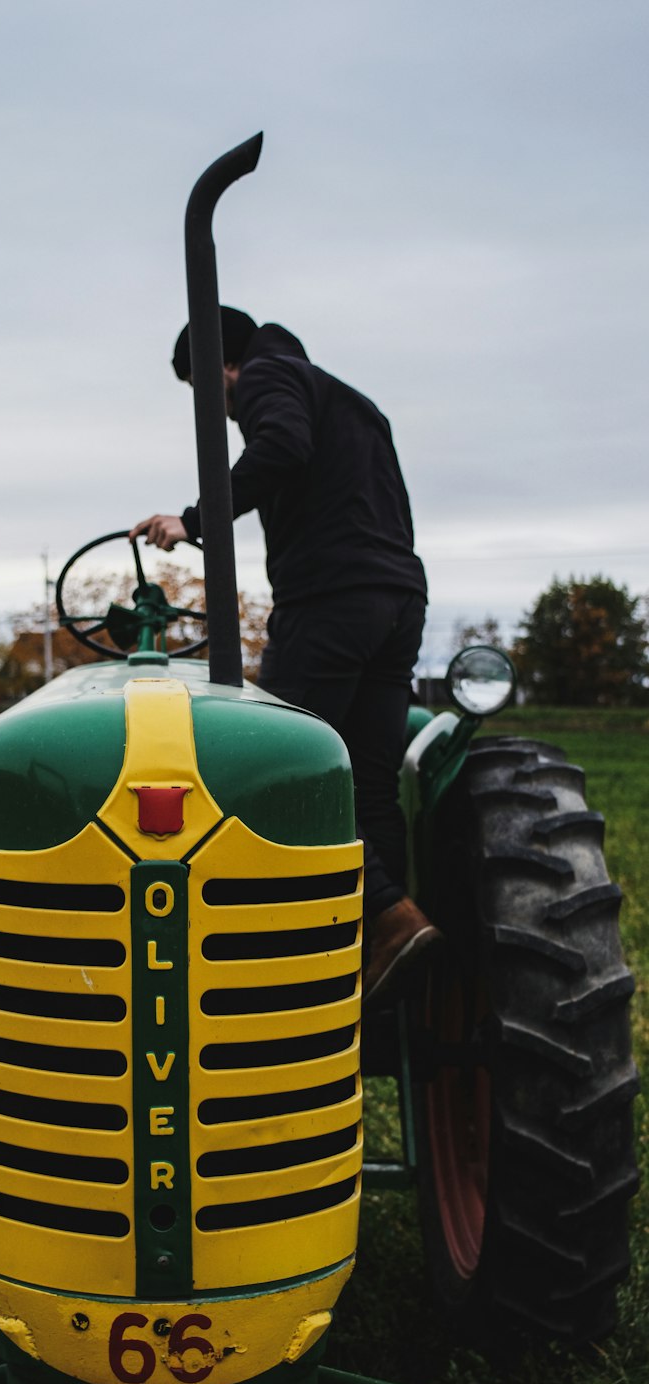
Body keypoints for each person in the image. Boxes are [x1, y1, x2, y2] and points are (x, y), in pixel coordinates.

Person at [130, 306, 439, 1002]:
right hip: (396, 598)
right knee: (366, 781)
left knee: (277, 766)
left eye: (203, 390)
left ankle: (382, 916)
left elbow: (281, 449)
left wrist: (194, 519)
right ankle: (377, 947)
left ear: (221, 367)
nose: (215, 407)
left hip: (330, 601)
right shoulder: (351, 401)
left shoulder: (270, 375)